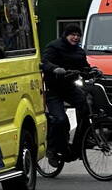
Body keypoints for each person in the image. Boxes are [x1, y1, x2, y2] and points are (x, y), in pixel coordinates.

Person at [41, 23, 101, 162]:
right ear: (66, 35)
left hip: (69, 87)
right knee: (60, 120)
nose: (75, 37)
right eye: (72, 35)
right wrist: (55, 69)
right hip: (53, 89)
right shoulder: (54, 46)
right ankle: (52, 150)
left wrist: (93, 71)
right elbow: (44, 62)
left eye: (78, 35)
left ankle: (80, 142)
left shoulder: (79, 51)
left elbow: (84, 67)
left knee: (86, 108)